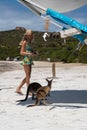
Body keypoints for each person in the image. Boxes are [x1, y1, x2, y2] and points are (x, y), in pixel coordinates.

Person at [16, 29, 36, 95]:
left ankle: (18, 88)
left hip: (29, 59)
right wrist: (29, 54)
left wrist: (33, 53)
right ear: (26, 36)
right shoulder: (24, 42)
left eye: (31, 35)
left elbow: (30, 52)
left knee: (28, 76)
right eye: (29, 35)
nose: (30, 36)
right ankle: (29, 90)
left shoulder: (29, 43)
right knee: (28, 76)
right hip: (26, 60)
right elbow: (21, 52)